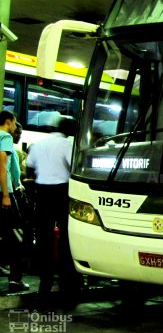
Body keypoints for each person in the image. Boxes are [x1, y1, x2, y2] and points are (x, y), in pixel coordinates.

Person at [26, 118, 83, 302]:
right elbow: (74, 167)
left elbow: (29, 167)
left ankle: (44, 285)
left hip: (42, 193)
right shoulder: (66, 144)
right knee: (67, 237)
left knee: (45, 238)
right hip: (62, 192)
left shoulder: (39, 144)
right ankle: (68, 284)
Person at [0, 110, 29, 292]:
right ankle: (15, 279)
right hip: (5, 193)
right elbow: (2, 165)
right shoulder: (5, 137)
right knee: (17, 235)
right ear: (9, 121)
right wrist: (5, 195)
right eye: (14, 122)